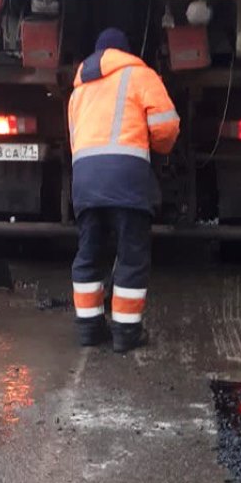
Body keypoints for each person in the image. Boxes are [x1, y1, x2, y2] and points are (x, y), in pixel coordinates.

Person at [68, 28, 180, 353]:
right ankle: (126, 334)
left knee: (89, 252)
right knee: (131, 254)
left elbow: (76, 138)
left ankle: (89, 328)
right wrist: (159, 148)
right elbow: (166, 126)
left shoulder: (79, 90)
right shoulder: (140, 76)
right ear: (124, 52)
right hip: (127, 177)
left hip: (85, 178)